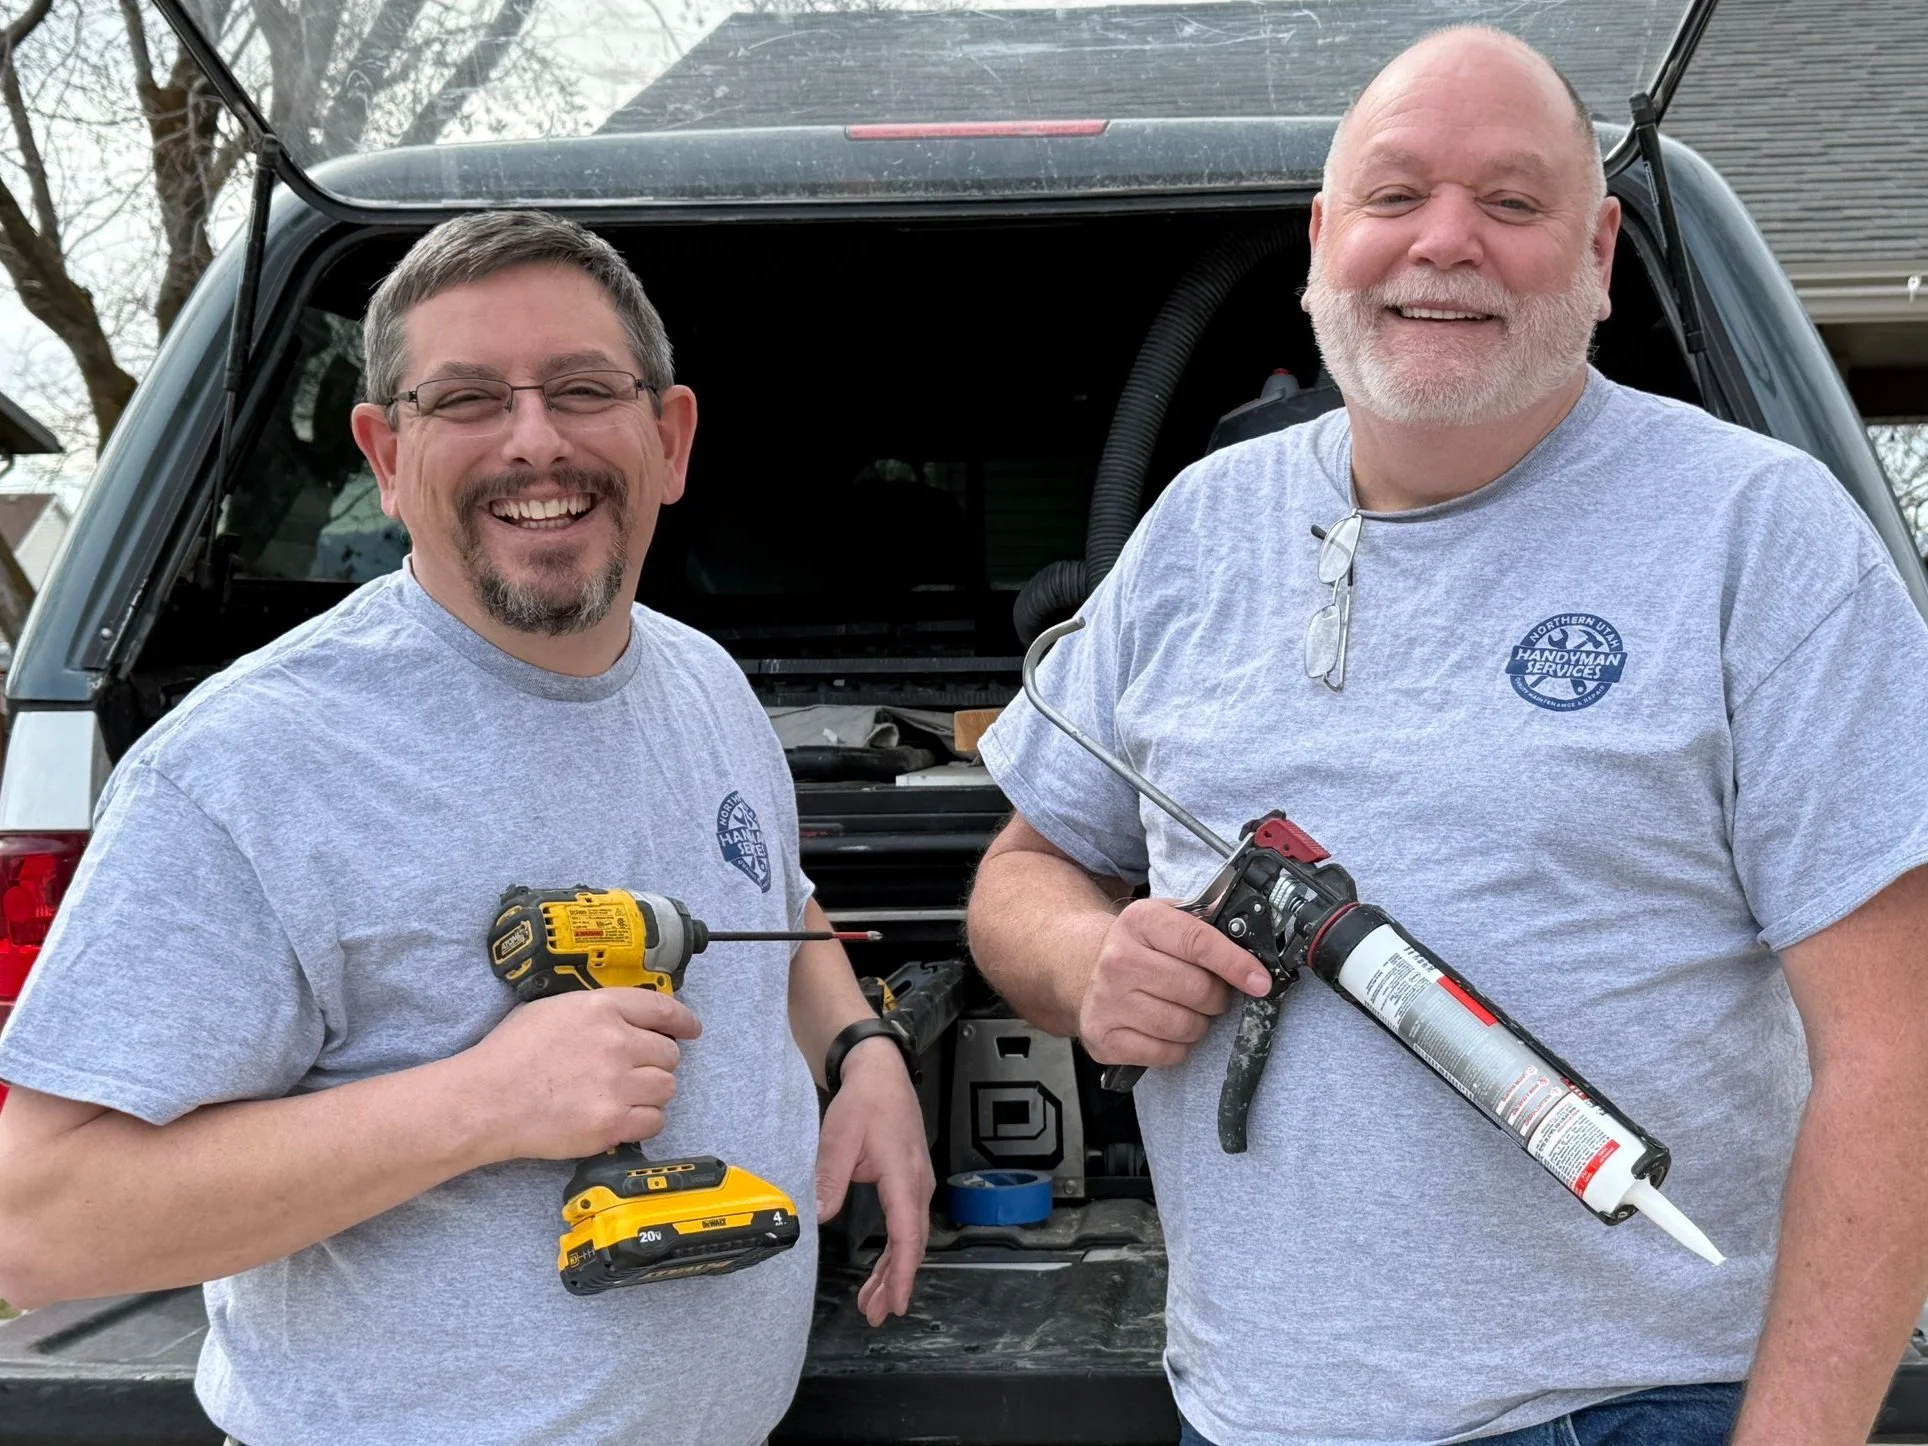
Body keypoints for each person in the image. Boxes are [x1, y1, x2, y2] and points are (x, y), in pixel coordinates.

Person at [967, 27, 1928, 1446]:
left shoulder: (1756, 537)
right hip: (1251, 1411)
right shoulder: (1200, 529)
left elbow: (1899, 1043)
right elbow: (1024, 865)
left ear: (1599, 252)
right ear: (1321, 240)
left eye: (1514, 202)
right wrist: (1085, 957)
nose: (1445, 243)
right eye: (1395, 195)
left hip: (1631, 1406)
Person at [0, 209, 933, 1446]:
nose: (535, 442)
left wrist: (858, 1053)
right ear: (385, 457)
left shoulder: (703, 680)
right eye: (468, 400)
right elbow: (39, 1225)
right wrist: (482, 1105)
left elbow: (764, 899)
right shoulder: (246, 767)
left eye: (584, 389)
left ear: (669, 439)